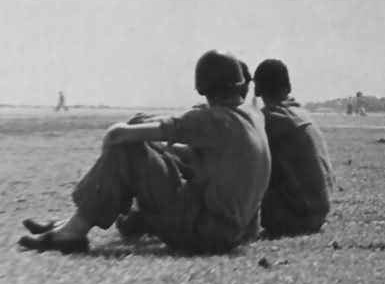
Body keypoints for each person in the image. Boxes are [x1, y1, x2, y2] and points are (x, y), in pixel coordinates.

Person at [18, 51, 269, 255]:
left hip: (204, 233)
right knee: (151, 152)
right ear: (238, 84)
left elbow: (119, 135)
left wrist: (117, 142)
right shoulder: (252, 118)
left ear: (203, 89)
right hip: (228, 233)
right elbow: (201, 156)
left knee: (127, 149)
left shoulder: (215, 119)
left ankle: (74, 230)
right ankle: (73, 224)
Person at [253, 58, 333, 238]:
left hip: (297, 218)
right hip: (317, 214)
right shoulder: (301, 114)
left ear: (257, 89)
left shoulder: (272, 119)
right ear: (287, 87)